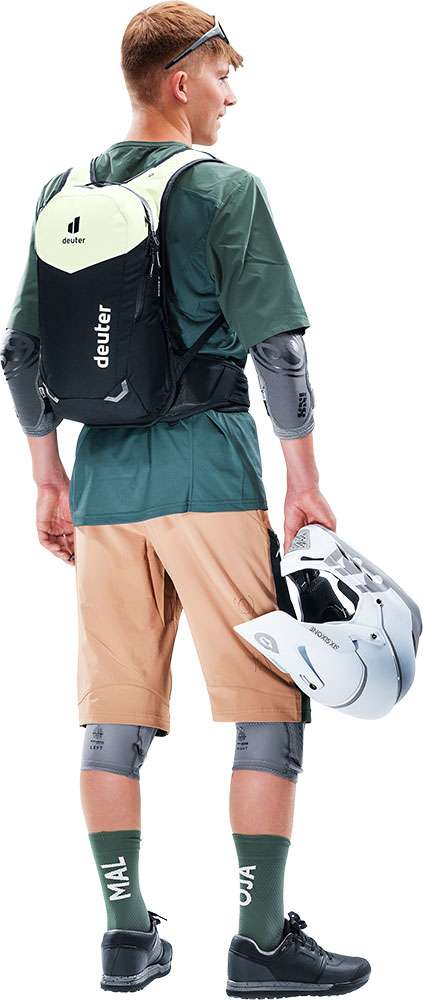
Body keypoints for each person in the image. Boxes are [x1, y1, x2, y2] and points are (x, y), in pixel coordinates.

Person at [1, 3, 371, 996]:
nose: (230, 96)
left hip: (103, 488)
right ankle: (258, 943)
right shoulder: (223, 189)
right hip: (209, 477)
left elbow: (22, 352)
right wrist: (303, 480)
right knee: (267, 706)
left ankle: (125, 937)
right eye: (222, 75)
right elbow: (277, 349)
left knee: (112, 720)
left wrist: (47, 478)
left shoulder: (62, 191)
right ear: (180, 80)